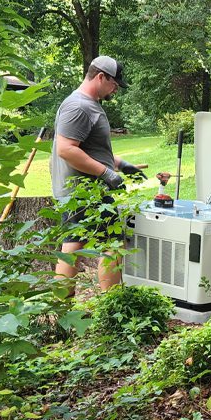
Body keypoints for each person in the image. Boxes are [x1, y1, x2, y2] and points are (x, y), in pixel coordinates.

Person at [50, 55, 145, 293]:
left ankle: (62, 306)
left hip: (83, 190)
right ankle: (110, 304)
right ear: (101, 77)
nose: (116, 89)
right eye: (114, 83)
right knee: (112, 243)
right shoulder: (79, 106)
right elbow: (66, 150)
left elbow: (90, 150)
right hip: (85, 191)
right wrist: (106, 174)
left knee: (74, 243)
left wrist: (121, 165)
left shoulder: (87, 104)